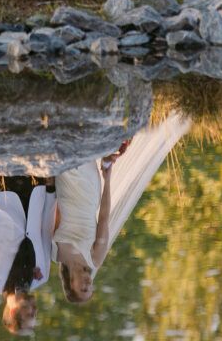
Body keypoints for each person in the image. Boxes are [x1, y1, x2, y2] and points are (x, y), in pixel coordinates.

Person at [52, 116, 191, 304]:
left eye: (83, 288)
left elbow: (51, 214)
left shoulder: (55, 253)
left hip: (66, 191)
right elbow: (103, 217)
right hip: (88, 194)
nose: (88, 283)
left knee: (63, 147)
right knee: (82, 146)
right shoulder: (95, 259)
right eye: (90, 287)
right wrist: (107, 179)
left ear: (70, 283)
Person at [0, 172, 57, 334]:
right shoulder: (43, 276)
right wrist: (50, 191)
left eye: (29, 314)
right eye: (35, 314)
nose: (35, 310)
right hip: (35, 192)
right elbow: (46, 231)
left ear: (13, 311)